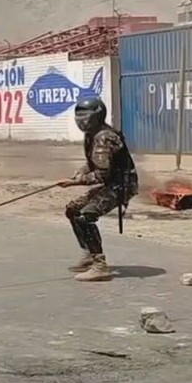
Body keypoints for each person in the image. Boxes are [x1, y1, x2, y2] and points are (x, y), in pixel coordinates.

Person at [56, 97, 139, 282]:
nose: (81, 120)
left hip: (121, 185)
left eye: (85, 116)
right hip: (112, 182)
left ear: (97, 116)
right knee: (73, 210)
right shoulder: (93, 134)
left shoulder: (104, 137)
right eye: (79, 116)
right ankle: (88, 252)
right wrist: (82, 171)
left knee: (86, 217)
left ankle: (99, 266)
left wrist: (73, 183)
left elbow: (102, 175)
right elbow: (94, 162)